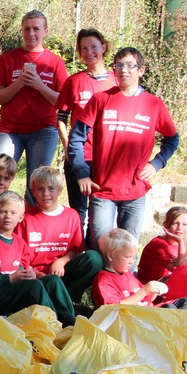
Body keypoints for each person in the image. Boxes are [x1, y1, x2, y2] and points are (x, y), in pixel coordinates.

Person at [69, 47, 180, 250]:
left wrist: (157, 163)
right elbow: (76, 138)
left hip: (135, 191)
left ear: (141, 70)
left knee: (128, 252)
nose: (123, 70)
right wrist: (82, 172)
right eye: (118, 65)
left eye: (129, 65)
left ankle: (126, 283)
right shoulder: (101, 100)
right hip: (102, 191)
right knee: (99, 248)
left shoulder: (153, 105)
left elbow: (172, 139)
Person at [0, 10, 69, 205]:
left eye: (36, 29)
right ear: (22, 31)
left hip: (43, 130)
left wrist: (39, 85)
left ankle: (31, 227)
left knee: (38, 184)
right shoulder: (8, 59)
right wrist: (19, 84)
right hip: (10, 129)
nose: (31, 33)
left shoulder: (55, 63)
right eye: (27, 29)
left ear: (45, 31)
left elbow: (64, 102)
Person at [0, 190, 76, 327]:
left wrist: (29, 273)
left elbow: (22, 267)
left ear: (21, 217)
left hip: (16, 289)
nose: (7, 216)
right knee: (33, 286)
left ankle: (71, 321)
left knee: (53, 280)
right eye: (3, 212)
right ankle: (53, 326)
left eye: (13, 213)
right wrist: (10, 278)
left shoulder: (20, 243)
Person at [56, 29, 116, 229]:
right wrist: (68, 149)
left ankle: (98, 254)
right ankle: (78, 255)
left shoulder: (117, 81)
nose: (89, 52)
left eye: (93, 47)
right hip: (79, 156)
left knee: (100, 213)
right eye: (84, 48)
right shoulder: (74, 82)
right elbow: (61, 118)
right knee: (78, 212)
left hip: (106, 158)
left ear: (103, 47)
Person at [19, 166, 103, 305]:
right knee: (45, 283)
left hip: (62, 271)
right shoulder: (26, 218)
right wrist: (34, 273)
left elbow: (76, 250)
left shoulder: (71, 216)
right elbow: (19, 253)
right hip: (37, 275)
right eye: (40, 189)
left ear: (59, 191)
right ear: (33, 192)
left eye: (51, 188)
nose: (46, 193)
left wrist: (62, 261)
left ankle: (66, 299)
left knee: (94, 258)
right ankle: (58, 303)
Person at [92, 228, 187, 310]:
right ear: (111, 255)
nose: (132, 262)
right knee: (169, 309)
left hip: (148, 311)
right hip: (133, 320)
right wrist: (145, 291)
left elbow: (144, 298)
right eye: (128, 257)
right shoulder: (104, 279)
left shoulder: (127, 274)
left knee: (185, 302)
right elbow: (113, 308)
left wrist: (153, 291)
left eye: (133, 257)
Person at [138, 205, 187, 285]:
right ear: (165, 225)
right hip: (154, 290)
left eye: (184, 224)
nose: (180, 228)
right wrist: (180, 242)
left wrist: (185, 262)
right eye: (175, 223)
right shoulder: (158, 244)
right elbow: (179, 271)